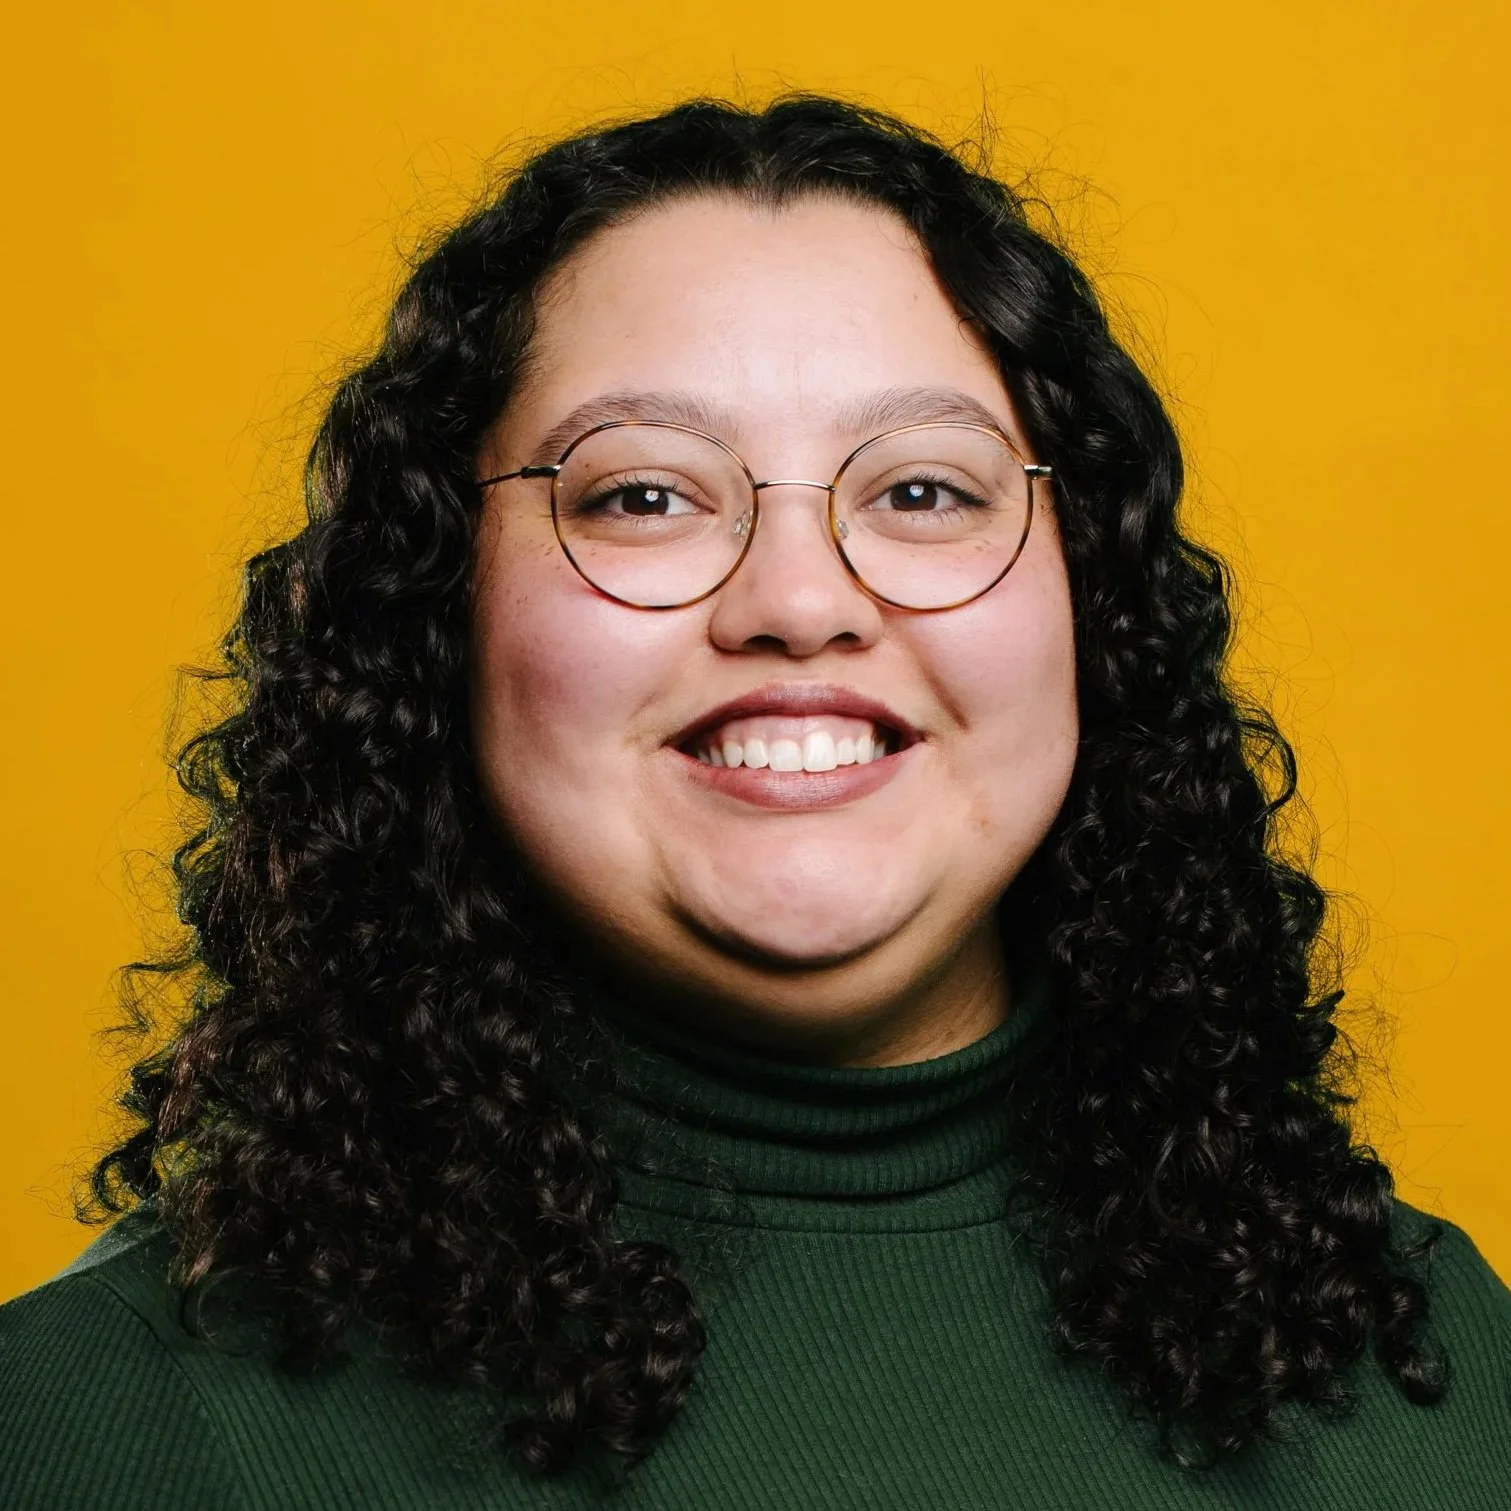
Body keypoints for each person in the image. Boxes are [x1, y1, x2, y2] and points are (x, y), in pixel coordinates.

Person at [1, 94, 1507, 1510]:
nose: (797, 601)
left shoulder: (1439, 1372)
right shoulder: (95, 1424)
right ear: (438, 611)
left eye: (923, 491)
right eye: (643, 494)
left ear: (1089, 605)